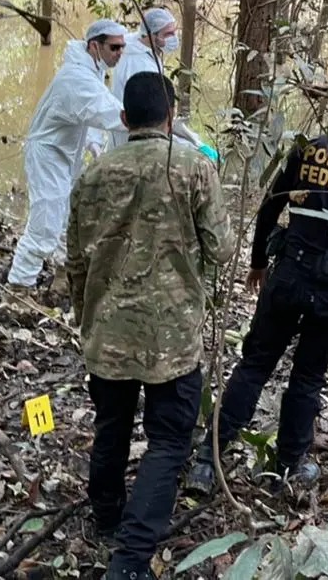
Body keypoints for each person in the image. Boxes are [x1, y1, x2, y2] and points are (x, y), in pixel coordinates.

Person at [188, 90, 328, 492]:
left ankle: (208, 461)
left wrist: (257, 262)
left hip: (289, 275)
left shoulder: (309, 151)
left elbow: (271, 204)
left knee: (255, 365)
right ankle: (289, 466)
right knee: (307, 377)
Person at [66, 72, 231, 580]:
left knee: (112, 426)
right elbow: (221, 249)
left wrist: (86, 317)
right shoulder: (193, 168)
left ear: (123, 120)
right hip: (173, 338)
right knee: (168, 440)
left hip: (109, 333)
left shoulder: (93, 175)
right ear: (171, 117)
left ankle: (107, 517)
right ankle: (131, 556)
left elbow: (75, 261)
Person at [6, 19, 129, 290]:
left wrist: (94, 144)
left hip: (65, 155)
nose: (120, 53)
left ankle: (63, 276)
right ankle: (18, 288)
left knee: (69, 219)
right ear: (94, 46)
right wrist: (145, 118)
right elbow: (104, 110)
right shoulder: (75, 77)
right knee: (45, 225)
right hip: (48, 155)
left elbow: (90, 112)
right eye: (114, 47)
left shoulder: (92, 71)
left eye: (123, 47)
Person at [101, 7, 180, 151]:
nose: (174, 37)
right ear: (151, 35)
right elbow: (154, 114)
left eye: (174, 32)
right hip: (134, 140)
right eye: (168, 34)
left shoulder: (137, 44)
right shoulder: (139, 65)